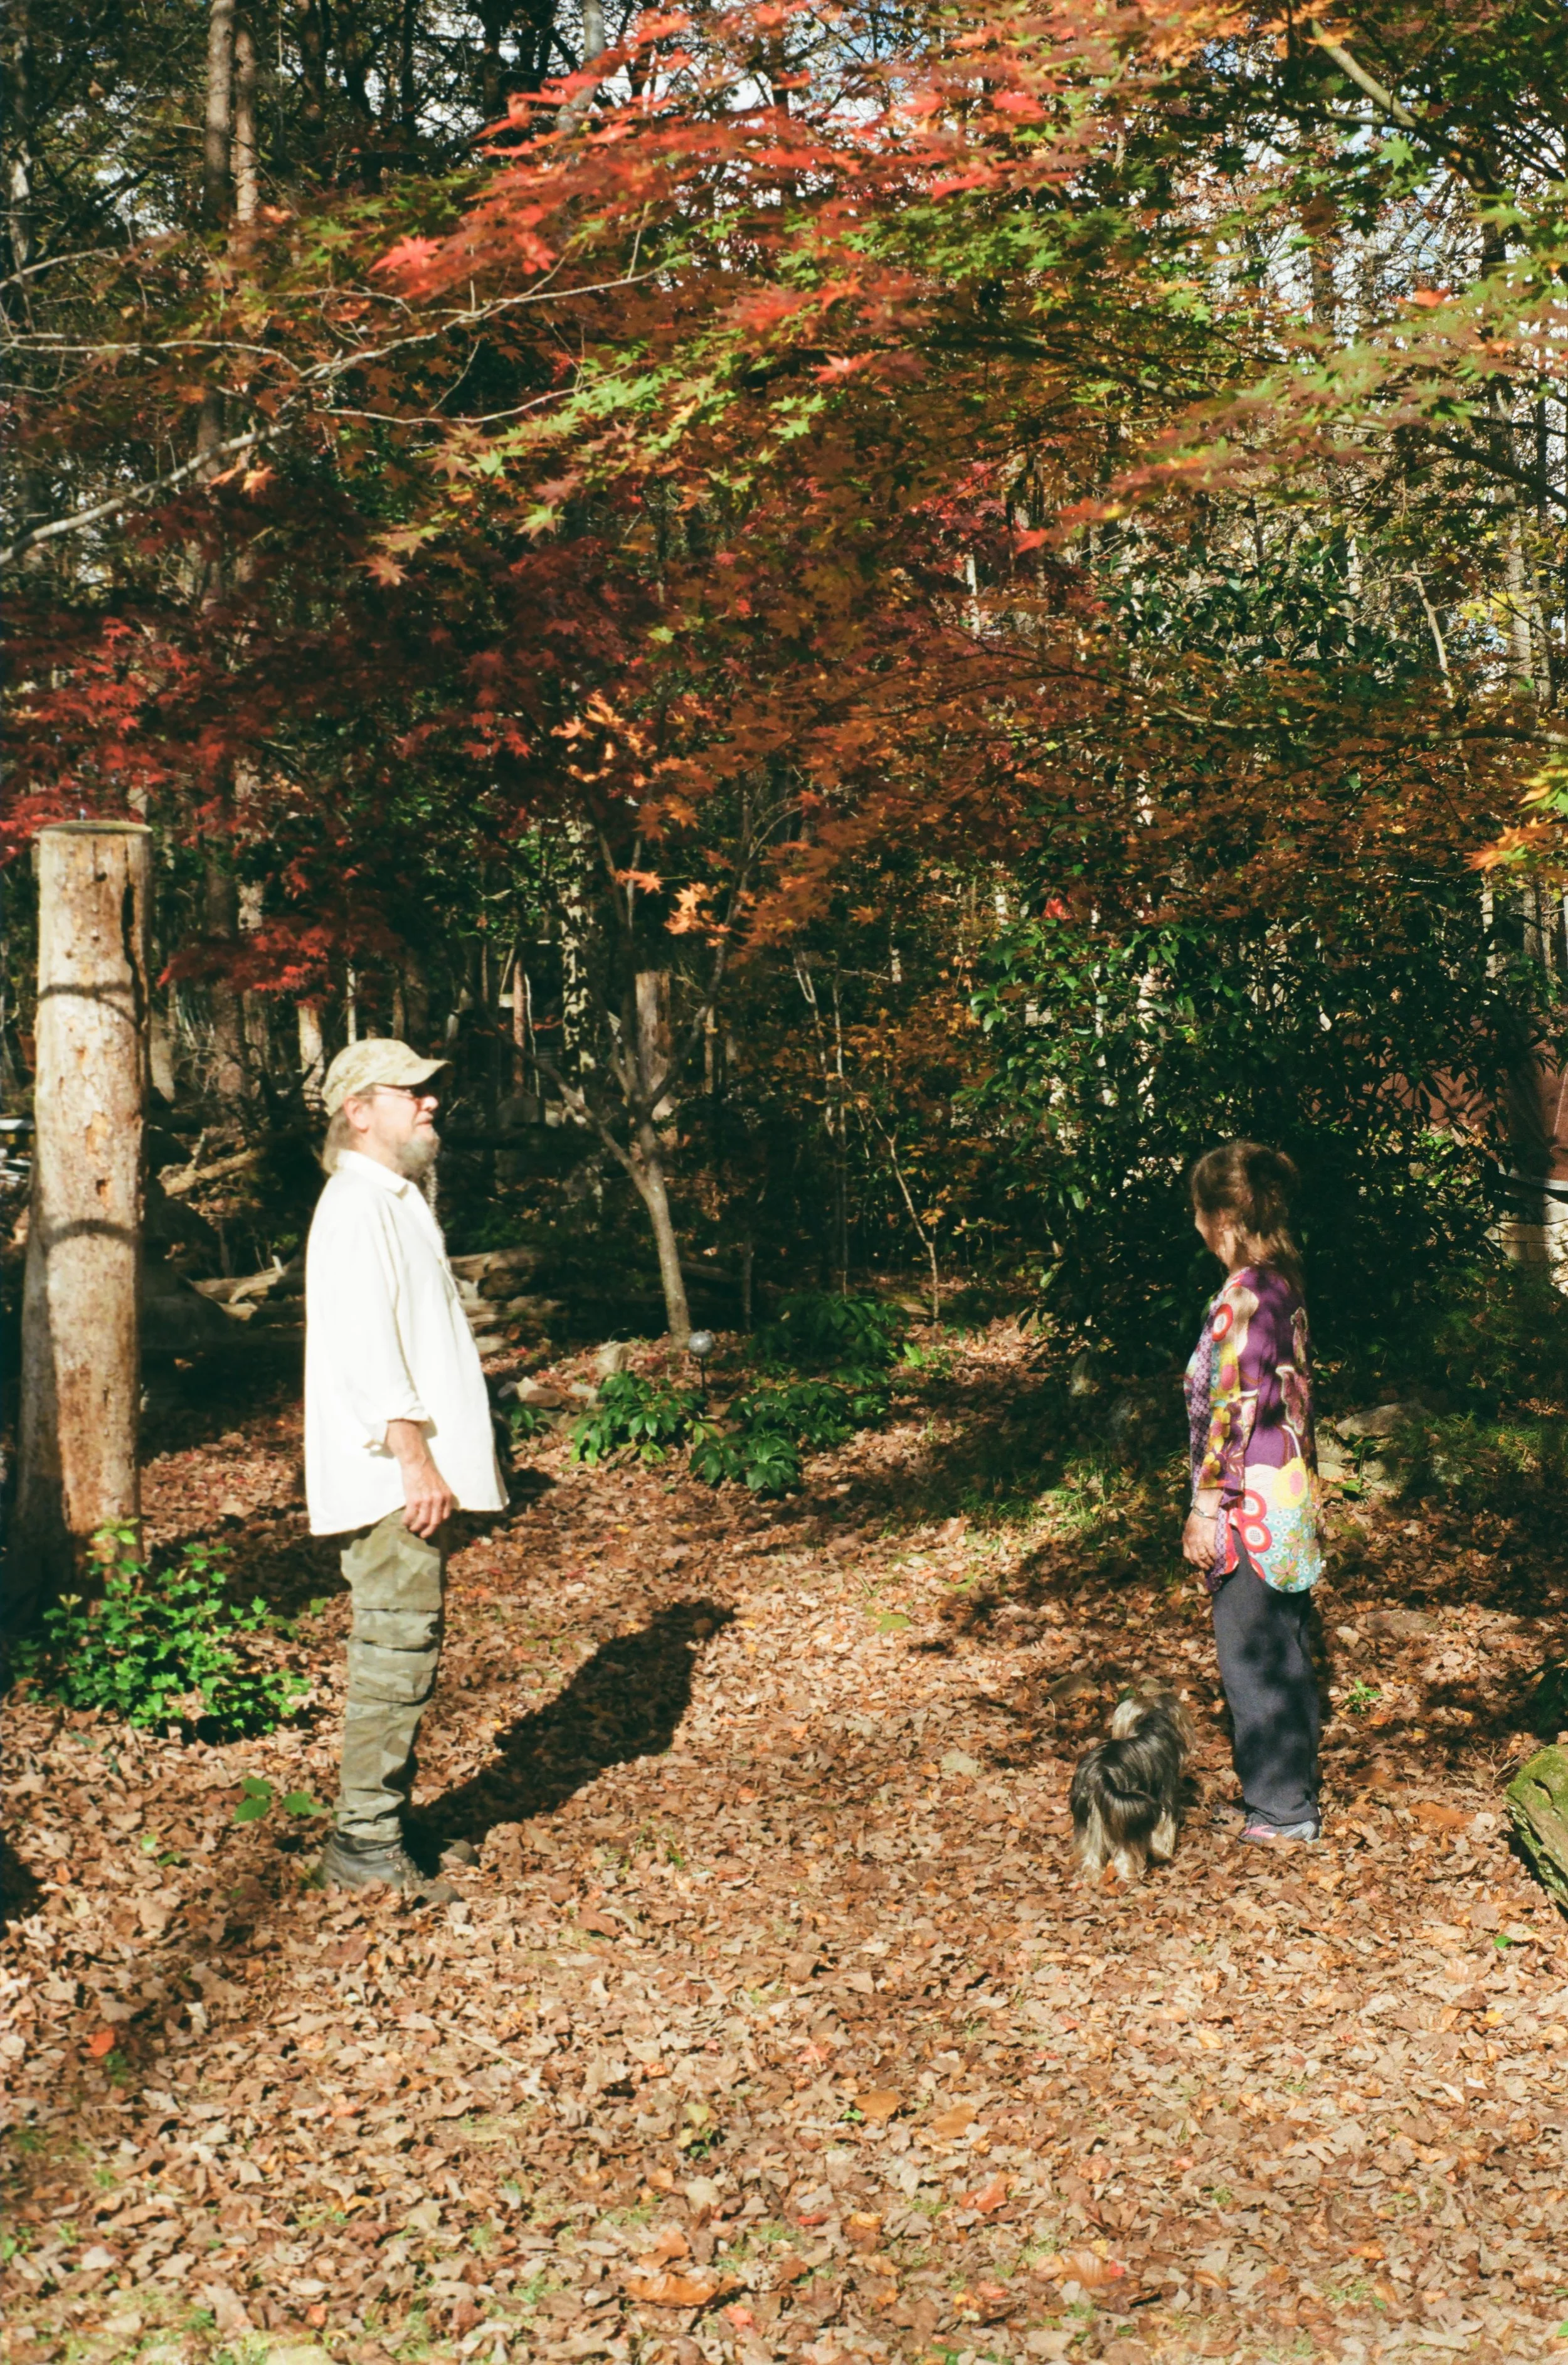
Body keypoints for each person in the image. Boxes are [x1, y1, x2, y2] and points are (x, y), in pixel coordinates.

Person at [304, 1039, 506, 1898]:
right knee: (395, 1651)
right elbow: (361, 1346)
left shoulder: (393, 1200)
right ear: (359, 1110)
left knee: (409, 1648)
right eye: (412, 1092)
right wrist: (413, 1455)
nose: (431, 1104)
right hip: (390, 1473)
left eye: (434, 1091)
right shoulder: (357, 1204)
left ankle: (384, 1820)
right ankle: (364, 1844)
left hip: (407, 1471)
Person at [1182, 1140, 1323, 1845]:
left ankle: (1280, 1811)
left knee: (1250, 1654)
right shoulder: (1282, 1285)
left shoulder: (1240, 1296)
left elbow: (1232, 1411)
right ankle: (1287, 1795)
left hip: (1250, 1506)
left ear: (1227, 1216)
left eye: (1201, 1211)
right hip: (1291, 1493)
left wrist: (1207, 1506)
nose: (1197, 1226)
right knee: (1286, 1647)